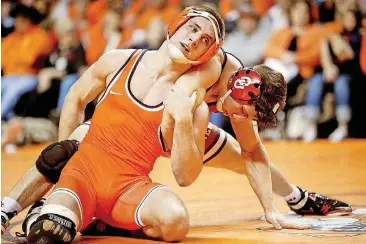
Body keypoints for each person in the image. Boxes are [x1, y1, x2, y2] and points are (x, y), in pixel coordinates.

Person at [2, 7, 352, 240]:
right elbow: (176, 95)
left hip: (179, 126)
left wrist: (271, 209)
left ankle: (297, 197)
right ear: (238, 88)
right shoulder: (211, 69)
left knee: (235, 152)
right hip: (156, 120)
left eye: (248, 117)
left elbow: (253, 152)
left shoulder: (239, 95)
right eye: (242, 112)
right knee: (70, 147)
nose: (239, 118)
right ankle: (25, 202)